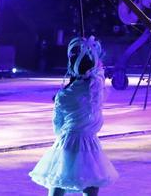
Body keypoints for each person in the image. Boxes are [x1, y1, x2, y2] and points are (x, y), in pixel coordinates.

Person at [29, 36, 118, 195]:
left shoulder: (63, 95)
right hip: (90, 143)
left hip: (68, 141)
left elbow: (57, 124)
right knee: (91, 181)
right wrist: (90, 52)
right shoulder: (96, 90)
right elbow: (99, 73)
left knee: (59, 179)